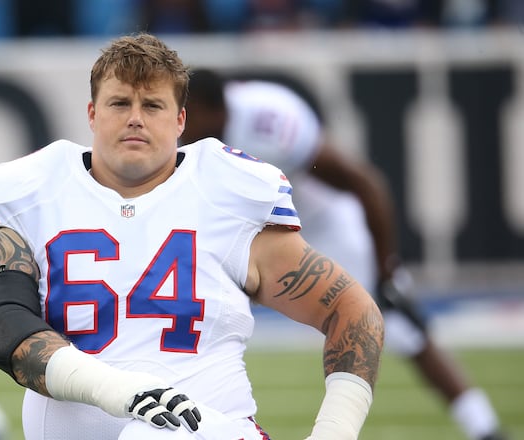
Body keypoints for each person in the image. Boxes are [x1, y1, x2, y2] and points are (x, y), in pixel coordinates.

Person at [0, 32, 383, 440]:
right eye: (119, 103)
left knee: (150, 437)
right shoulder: (31, 192)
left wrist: (335, 432)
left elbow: (352, 311)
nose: (135, 117)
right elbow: (0, 320)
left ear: (180, 120)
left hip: (209, 431)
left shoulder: (226, 194)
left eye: (152, 105)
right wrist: (118, 390)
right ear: (92, 114)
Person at [182, 68, 508, 440]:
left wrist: (385, 269)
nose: (181, 125)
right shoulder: (181, 128)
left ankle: (483, 427)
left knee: (398, 324)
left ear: (215, 110)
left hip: (321, 224)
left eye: (189, 113)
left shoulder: (266, 119)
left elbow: (365, 184)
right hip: (249, 229)